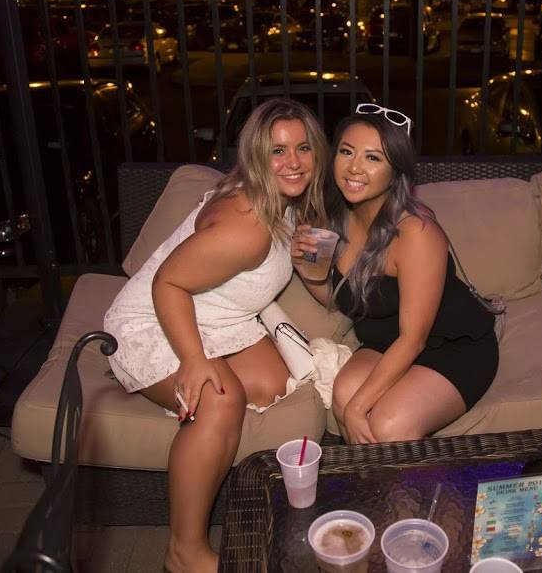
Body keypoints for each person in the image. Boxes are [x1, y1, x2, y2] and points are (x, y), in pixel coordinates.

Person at [103, 98, 329, 573]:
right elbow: (168, 283)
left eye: (303, 148)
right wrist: (193, 360)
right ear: (255, 156)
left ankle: (183, 401)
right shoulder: (245, 227)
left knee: (272, 383)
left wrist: (306, 253)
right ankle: (183, 550)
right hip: (154, 317)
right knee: (221, 398)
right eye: (277, 151)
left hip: (218, 319)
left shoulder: (284, 201)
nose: (293, 162)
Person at [291, 103, 499, 444]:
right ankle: (375, 476)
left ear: (396, 171)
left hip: (452, 346)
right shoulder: (327, 217)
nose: (354, 167)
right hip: (384, 343)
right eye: (346, 151)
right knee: (344, 393)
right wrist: (306, 270)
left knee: (387, 423)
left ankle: (412, 480)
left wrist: (359, 407)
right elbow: (339, 299)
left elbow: (413, 338)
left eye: (373, 158)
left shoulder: (416, 233)